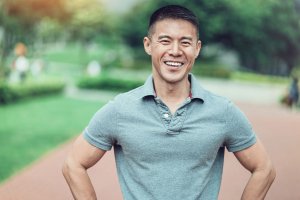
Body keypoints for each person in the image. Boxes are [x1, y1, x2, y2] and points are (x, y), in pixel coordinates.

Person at [62, 5, 276, 200]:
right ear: (148, 45)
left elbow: (264, 168)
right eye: (165, 41)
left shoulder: (223, 111)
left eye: (185, 42)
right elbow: (73, 164)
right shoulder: (120, 110)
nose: (175, 51)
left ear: (197, 49)